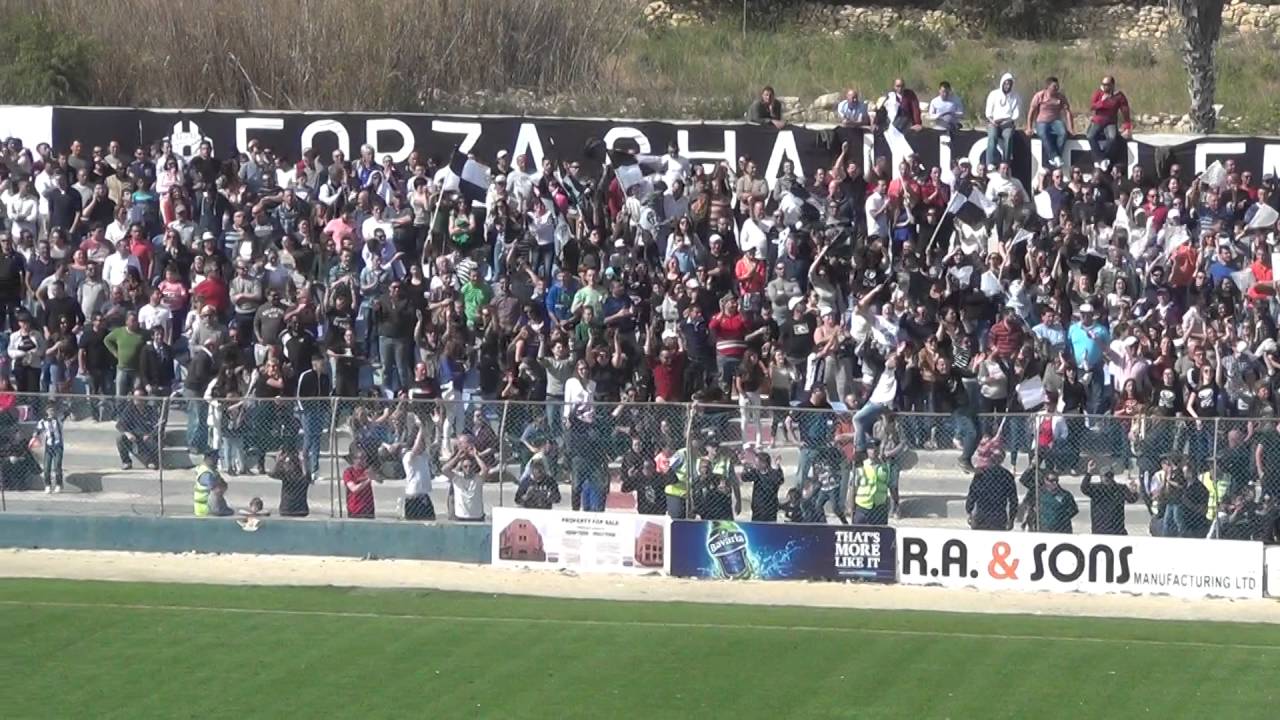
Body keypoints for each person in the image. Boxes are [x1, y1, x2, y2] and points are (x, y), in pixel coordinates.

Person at [1026, 76, 1074, 169]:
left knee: (1063, 133)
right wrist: (1029, 127)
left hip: (1056, 121)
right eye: (1054, 86)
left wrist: (1071, 128)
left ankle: (1055, 157)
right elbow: (1031, 111)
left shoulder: (1060, 97)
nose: (1056, 88)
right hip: (1042, 121)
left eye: (1057, 86)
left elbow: (1068, 112)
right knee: (1043, 133)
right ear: (1047, 87)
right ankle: (1055, 157)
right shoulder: (1039, 96)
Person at [1086, 75, 1132, 171]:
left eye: (1107, 84)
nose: (1105, 86)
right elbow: (1092, 107)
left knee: (1112, 137)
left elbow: (1125, 109)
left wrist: (1127, 124)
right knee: (1090, 136)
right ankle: (1100, 159)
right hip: (1098, 119)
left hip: (1110, 121)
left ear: (1112, 85)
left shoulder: (1118, 95)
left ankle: (1104, 158)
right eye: (1103, 84)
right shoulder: (1099, 93)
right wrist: (1102, 101)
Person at [1080, 461, 1139, 535]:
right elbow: (1084, 488)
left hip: (1117, 529)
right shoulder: (1096, 489)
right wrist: (1089, 472)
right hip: (1099, 530)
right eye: (1106, 476)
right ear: (1101, 477)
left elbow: (1132, 499)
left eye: (1110, 475)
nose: (1108, 478)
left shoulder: (1120, 488)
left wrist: (1134, 491)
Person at [443, 436, 487, 521]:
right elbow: (445, 469)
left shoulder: (473, 452)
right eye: (461, 443)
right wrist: (458, 457)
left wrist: (475, 455)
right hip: (458, 481)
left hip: (473, 481)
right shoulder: (457, 453)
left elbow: (484, 470)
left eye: (466, 443)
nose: (464, 445)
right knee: (454, 504)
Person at [402, 415, 437, 520]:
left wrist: (434, 426)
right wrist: (421, 428)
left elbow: (434, 443)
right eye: (421, 442)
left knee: (430, 520)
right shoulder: (408, 456)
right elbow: (415, 448)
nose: (423, 445)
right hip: (413, 497)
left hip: (424, 496)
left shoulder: (424, 456)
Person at [984, 73, 1021, 169]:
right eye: (1006, 83)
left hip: (1007, 123)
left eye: (1009, 84)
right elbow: (988, 112)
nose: (1007, 86)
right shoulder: (993, 94)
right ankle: (990, 163)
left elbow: (1015, 114)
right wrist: (992, 121)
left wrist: (1006, 120)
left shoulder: (1015, 96)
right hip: (993, 122)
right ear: (1002, 83)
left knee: (1008, 136)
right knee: (992, 136)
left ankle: (1006, 162)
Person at [116, 388, 159, 470]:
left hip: (147, 436)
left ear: (144, 398)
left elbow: (157, 426)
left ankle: (152, 461)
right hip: (134, 435)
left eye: (139, 397)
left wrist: (150, 434)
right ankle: (126, 462)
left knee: (150, 441)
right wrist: (127, 433)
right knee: (120, 438)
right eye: (135, 396)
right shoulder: (130, 409)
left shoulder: (151, 410)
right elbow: (120, 424)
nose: (136, 399)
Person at [851, 442, 892, 525]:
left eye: (876, 448)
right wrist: (852, 509)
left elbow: (888, 486)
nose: (873, 450)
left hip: (879, 508)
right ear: (867, 450)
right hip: (862, 507)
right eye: (871, 448)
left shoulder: (886, 467)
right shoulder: (860, 466)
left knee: (881, 535)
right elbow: (853, 489)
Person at [32, 403, 67, 493]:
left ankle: (59, 484)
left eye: (53, 410)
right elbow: (38, 430)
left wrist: (65, 408)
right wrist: (35, 434)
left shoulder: (58, 419)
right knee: (47, 467)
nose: (51, 412)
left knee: (57, 466)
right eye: (49, 410)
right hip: (49, 446)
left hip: (58, 445)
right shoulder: (43, 421)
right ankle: (47, 485)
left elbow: (65, 414)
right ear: (46, 411)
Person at [743, 449, 785, 522]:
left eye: (757, 463)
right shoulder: (755, 473)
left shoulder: (773, 473)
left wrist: (778, 466)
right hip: (757, 509)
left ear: (764, 463)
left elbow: (780, 480)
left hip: (770, 509)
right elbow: (744, 478)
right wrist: (745, 467)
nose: (755, 465)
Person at [343, 448, 377, 519]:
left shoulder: (367, 470)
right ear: (354, 460)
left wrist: (374, 475)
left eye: (365, 458)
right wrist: (368, 480)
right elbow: (354, 489)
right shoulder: (349, 472)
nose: (364, 461)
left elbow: (380, 481)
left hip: (368, 509)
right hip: (355, 510)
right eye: (361, 458)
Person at [193, 449, 226, 517]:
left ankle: (222, 510)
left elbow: (224, 484)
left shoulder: (211, 470)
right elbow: (216, 489)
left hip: (209, 508)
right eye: (214, 460)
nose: (216, 462)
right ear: (208, 459)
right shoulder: (206, 473)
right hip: (205, 511)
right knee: (216, 490)